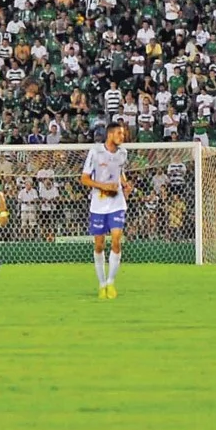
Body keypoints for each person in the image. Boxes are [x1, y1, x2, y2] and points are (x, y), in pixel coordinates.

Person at [80, 121, 133, 299]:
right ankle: (101, 284)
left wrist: (124, 183)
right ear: (110, 135)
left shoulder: (123, 153)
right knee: (99, 244)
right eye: (119, 134)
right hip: (99, 203)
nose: (122, 137)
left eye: (123, 134)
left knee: (117, 239)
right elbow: (85, 179)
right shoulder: (95, 152)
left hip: (117, 202)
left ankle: (111, 282)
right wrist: (103, 186)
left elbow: (120, 171)